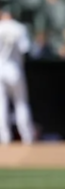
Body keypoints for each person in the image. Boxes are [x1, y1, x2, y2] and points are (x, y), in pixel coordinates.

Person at [0, 9, 35, 145]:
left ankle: (4, 137)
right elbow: (25, 48)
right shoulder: (19, 28)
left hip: (0, 69)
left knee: (2, 104)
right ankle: (27, 136)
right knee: (21, 103)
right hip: (14, 69)